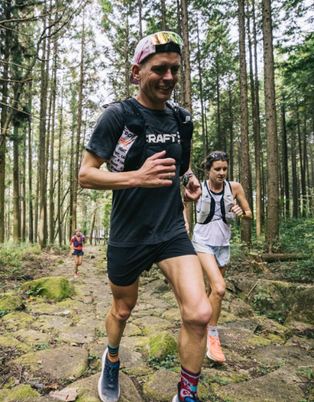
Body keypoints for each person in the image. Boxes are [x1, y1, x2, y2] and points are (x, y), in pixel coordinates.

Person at [79, 31, 211, 402]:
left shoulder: (181, 120)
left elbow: (180, 165)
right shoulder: (118, 116)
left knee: (199, 313)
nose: (169, 77)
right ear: (137, 72)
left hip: (170, 229)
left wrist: (188, 179)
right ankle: (113, 358)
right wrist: (136, 177)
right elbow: (86, 174)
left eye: (174, 70)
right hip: (129, 232)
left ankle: (186, 395)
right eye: (159, 69)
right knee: (122, 310)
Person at [190, 151, 252, 363]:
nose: (222, 173)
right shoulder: (200, 187)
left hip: (223, 245)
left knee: (211, 290)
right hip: (202, 243)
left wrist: (240, 212)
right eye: (217, 169)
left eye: (225, 169)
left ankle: (203, 326)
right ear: (208, 170)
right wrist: (184, 223)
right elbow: (183, 203)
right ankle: (213, 338)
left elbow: (249, 214)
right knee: (219, 288)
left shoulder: (234, 188)